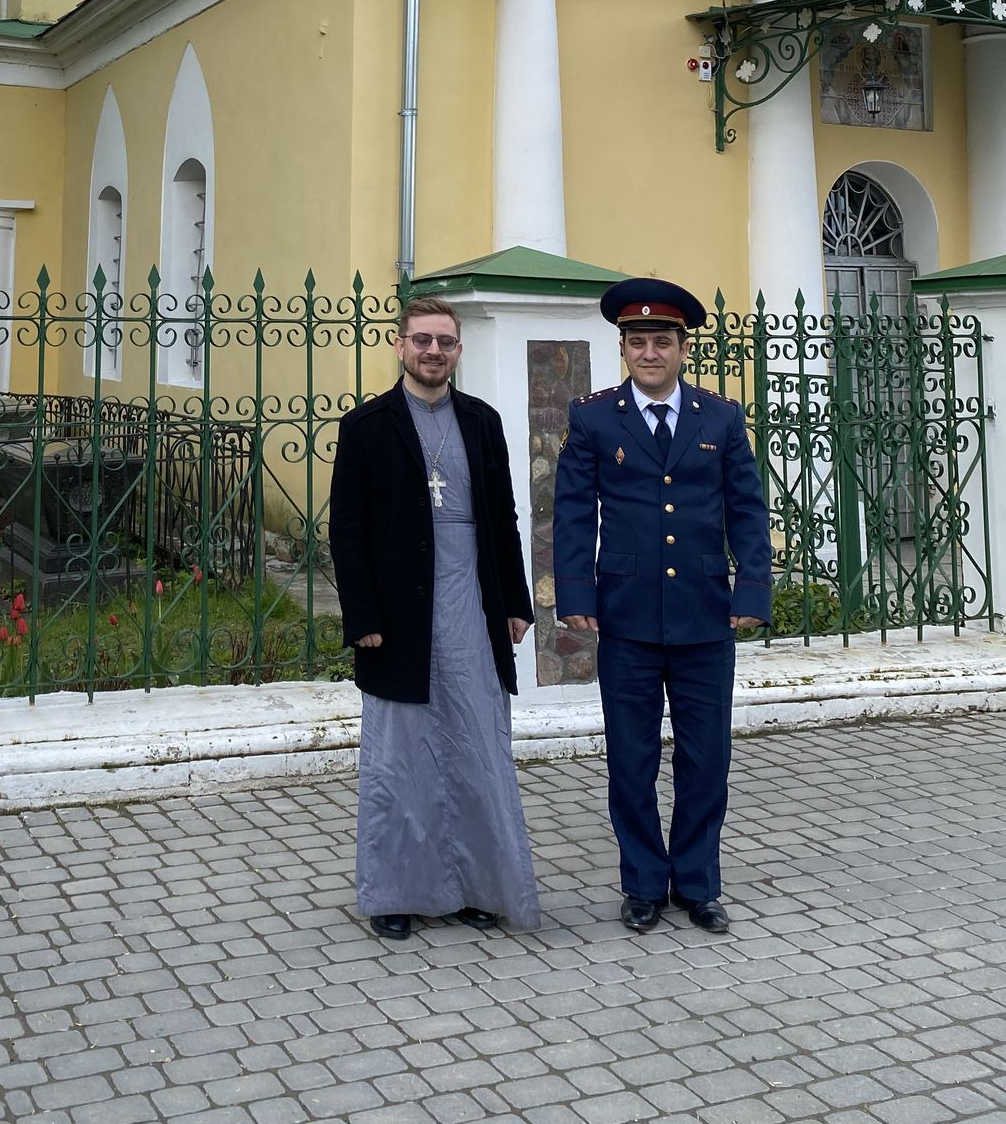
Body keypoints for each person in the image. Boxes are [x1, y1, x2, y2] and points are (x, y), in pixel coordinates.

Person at [552, 278, 772, 935]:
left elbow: (747, 511)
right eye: (638, 342)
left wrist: (752, 589)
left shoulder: (720, 418)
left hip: (706, 614)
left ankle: (698, 883)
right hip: (627, 616)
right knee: (632, 757)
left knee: (706, 758)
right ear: (622, 349)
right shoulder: (593, 418)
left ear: (682, 349)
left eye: (662, 342)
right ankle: (644, 884)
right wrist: (576, 594)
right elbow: (571, 513)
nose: (650, 352)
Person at [329, 295, 540, 943]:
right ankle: (397, 891)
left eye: (444, 342)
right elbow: (347, 529)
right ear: (400, 346)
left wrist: (514, 601)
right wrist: (361, 613)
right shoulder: (366, 426)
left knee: (477, 749)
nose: (433, 351)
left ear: (458, 350)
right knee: (403, 756)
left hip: (469, 606)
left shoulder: (481, 421)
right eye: (421, 340)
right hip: (397, 614)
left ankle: (477, 886)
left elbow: (503, 518)